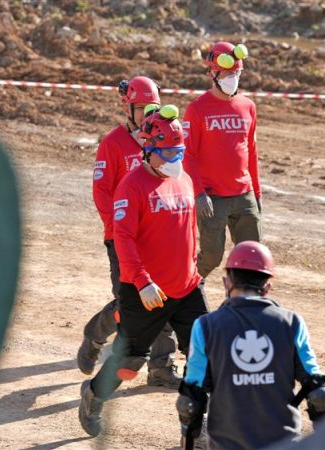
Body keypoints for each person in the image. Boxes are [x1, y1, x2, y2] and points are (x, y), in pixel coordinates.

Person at [78, 105, 209, 437]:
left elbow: (189, 228)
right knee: (129, 364)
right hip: (145, 292)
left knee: (205, 354)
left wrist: (193, 265)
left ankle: (199, 422)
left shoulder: (184, 179)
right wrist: (142, 281)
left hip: (186, 287)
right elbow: (123, 239)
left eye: (179, 150)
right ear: (148, 150)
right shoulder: (132, 186)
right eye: (167, 151)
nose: (175, 158)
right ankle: (94, 395)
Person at [177, 241, 325, 450]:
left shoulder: (205, 326)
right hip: (283, 441)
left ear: (227, 282)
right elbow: (318, 394)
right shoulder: (292, 323)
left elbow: (190, 401)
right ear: (267, 286)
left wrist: (189, 439)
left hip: (226, 442)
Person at [78, 75, 181, 389]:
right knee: (129, 304)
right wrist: (119, 230)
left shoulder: (163, 138)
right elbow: (102, 192)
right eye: (142, 107)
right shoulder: (113, 143)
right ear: (128, 108)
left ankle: (161, 366)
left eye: (154, 106)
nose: (149, 112)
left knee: (165, 298)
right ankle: (95, 335)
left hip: (158, 235)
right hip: (123, 237)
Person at [182, 41, 262, 279]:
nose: (232, 77)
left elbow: (252, 152)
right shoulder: (197, 109)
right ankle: (183, 297)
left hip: (244, 194)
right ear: (212, 73)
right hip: (212, 197)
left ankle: (240, 307)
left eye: (236, 72)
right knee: (210, 257)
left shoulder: (247, 106)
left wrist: (256, 193)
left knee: (252, 258)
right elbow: (188, 156)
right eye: (227, 73)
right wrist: (198, 193)